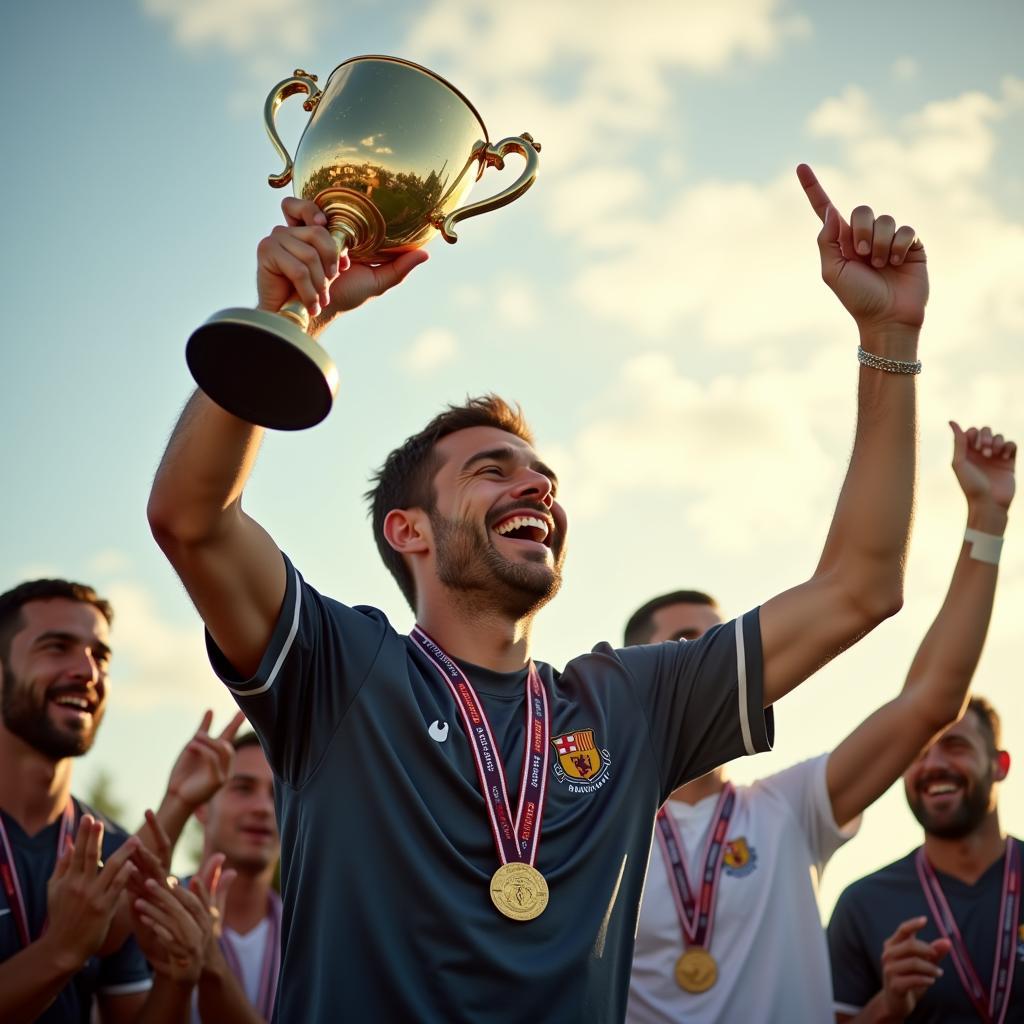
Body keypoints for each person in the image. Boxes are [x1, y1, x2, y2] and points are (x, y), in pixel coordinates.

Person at [147, 164, 926, 1022]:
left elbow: (861, 586)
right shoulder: (340, 672)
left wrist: (888, 338)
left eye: (545, 479)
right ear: (408, 529)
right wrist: (290, 315)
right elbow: (192, 517)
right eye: (494, 470)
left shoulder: (629, 705)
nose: (537, 490)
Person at [625, 422, 1016, 1022]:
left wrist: (986, 523)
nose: (708, 657)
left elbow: (932, 700)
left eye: (720, 641)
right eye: (685, 642)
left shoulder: (789, 807)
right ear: (637, 674)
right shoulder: (600, 824)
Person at [0, 579, 220, 1023]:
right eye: (56, 647)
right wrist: (61, 951)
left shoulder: (110, 852)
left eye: (100, 656)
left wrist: (177, 975)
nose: (88, 671)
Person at [829, 699, 1022, 1018]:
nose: (933, 764)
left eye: (955, 746)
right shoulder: (862, 905)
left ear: (1000, 765)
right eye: (918, 752)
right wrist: (889, 1005)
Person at [189, 731, 281, 1023]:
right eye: (243, 788)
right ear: (201, 803)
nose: (263, 808)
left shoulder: (316, 937)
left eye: (278, 793)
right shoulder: (149, 917)